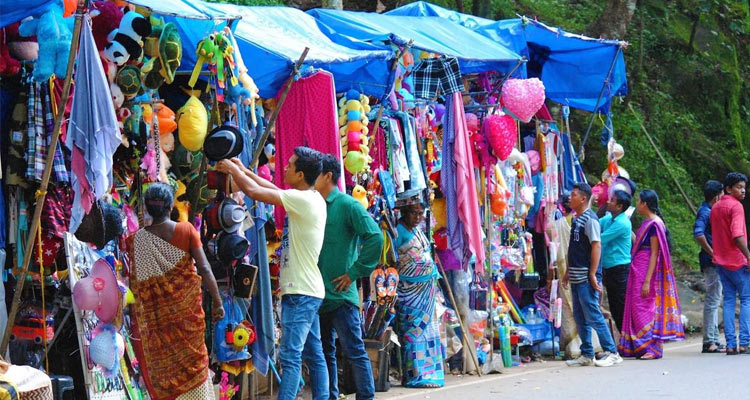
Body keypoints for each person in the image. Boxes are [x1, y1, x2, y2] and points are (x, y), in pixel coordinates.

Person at [216, 147, 329, 399]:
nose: (285, 168)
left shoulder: (304, 200)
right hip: (307, 290)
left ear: (300, 174)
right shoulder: (308, 198)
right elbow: (271, 189)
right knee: (314, 353)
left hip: (301, 292)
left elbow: (256, 192)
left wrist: (233, 169)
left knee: (290, 357)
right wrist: (243, 170)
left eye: (290, 165)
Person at [128, 183, 224, 400]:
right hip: (186, 319)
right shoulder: (186, 230)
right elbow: (205, 268)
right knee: (195, 365)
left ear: (147, 208)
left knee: (166, 371)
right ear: (170, 205)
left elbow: (141, 287)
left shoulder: (136, 241)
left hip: (159, 326)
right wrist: (218, 303)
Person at [314, 154, 382, 400]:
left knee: (354, 351)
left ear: (328, 176)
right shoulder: (313, 203)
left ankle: (366, 396)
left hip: (342, 296)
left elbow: (375, 237)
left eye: (316, 173)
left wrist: (354, 272)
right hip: (317, 295)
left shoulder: (347, 204)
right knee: (324, 352)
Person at [619, 190, 684, 359]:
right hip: (638, 269)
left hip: (646, 272)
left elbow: (655, 254)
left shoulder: (655, 224)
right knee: (636, 305)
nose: (637, 204)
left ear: (645, 204)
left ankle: (652, 347)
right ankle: (639, 346)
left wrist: (647, 281)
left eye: (639, 201)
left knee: (644, 307)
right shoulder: (648, 223)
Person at [562, 182, 622, 367]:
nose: (569, 198)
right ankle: (587, 353)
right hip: (576, 275)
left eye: (573, 195)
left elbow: (596, 245)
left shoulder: (590, 220)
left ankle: (612, 351)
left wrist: (593, 273)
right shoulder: (576, 219)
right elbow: (575, 249)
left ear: (583, 198)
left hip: (587, 277)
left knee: (593, 314)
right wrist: (567, 273)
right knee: (580, 316)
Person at [393, 201, 445, 387]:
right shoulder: (398, 231)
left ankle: (429, 373)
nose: (417, 217)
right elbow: (392, 259)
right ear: (405, 213)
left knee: (429, 331)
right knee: (413, 332)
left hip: (426, 291)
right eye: (414, 213)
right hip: (409, 292)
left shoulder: (417, 230)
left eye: (421, 214)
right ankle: (414, 374)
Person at [709, 172, 750, 355]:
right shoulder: (736, 207)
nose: (743, 191)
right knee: (747, 299)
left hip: (721, 262)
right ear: (728, 188)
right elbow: (737, 235)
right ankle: (744, 343)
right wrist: (748, 256)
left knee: (728, 301)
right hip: (738, 262)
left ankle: (731, 345)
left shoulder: (716, 207)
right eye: (739, 187)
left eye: (744, 187)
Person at [693, 180, 725, 353]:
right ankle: (709, 342)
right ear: (717, 196)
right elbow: (698, 234)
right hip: (711, 262)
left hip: (714, 261)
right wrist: (713, 252)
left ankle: (713, 339)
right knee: (713, 300)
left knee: (715, 298)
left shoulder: (710, 210)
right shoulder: (705, 212)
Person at [599, 190, 633, 332]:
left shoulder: (622, 223)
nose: (609, 202)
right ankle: (625, 340)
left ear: (619, 206)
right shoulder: (609, 219)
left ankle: (628, 339)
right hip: (609, 268)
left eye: (612, 200)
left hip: (619, 269)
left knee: (620, 306)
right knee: (614, 305)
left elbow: (600, 238)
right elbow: (594, 223)